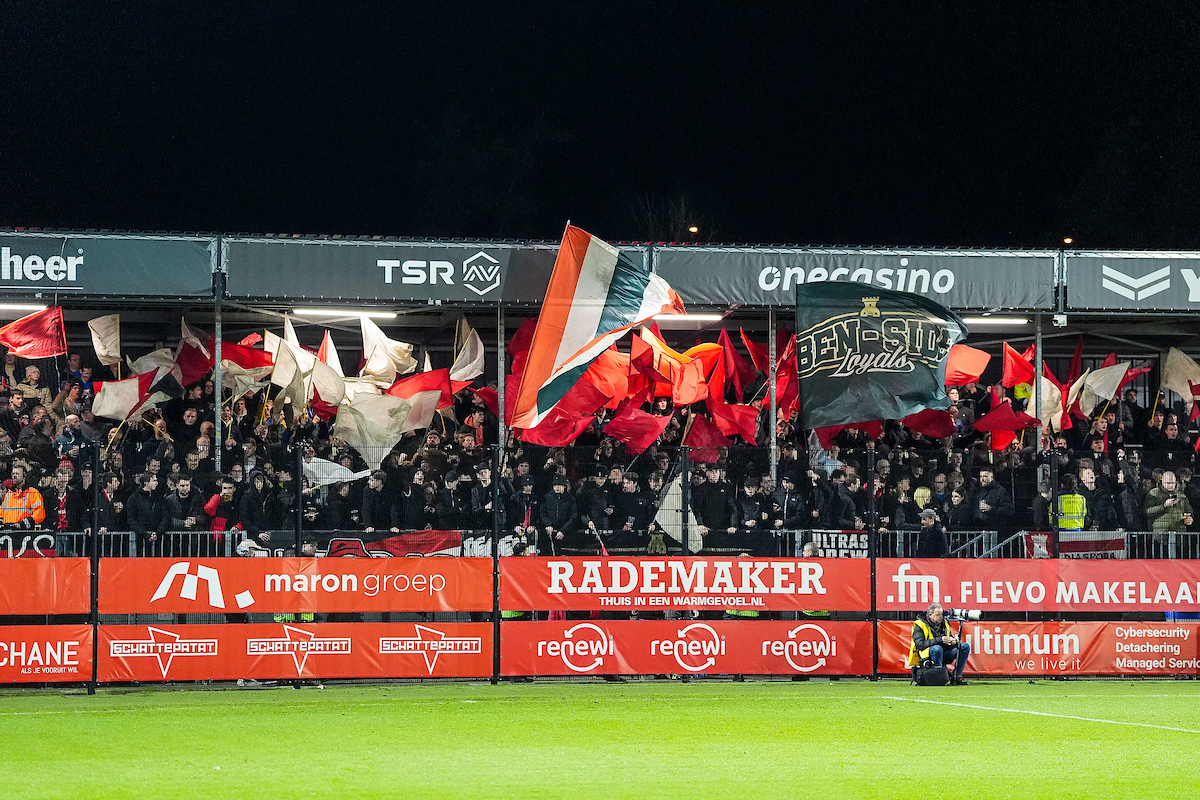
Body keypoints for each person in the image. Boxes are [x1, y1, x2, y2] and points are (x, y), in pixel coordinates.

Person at [907, 602, 971, 685]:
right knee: (937, 648)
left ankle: (957, 677)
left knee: (964, 646)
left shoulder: (945, 623)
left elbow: (948, 639)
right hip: (928, 655)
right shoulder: (920, 624)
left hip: (945, 652)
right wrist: (940, 639)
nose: (940, 617)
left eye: (941, 615)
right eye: (937, 615)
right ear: (930, 615)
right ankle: (939, 678)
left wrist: (953, 642)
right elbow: (920, 644)